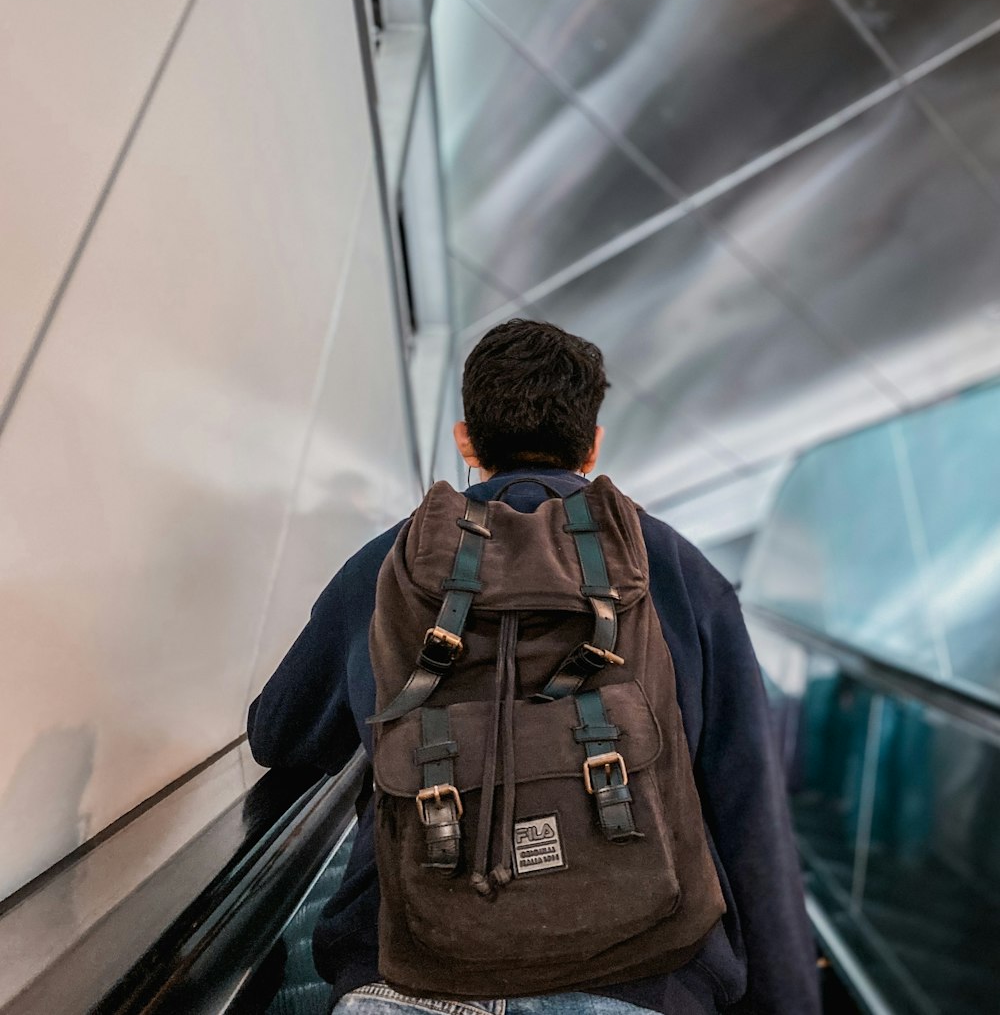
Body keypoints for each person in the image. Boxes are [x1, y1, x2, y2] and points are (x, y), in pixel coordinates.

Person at [247, 319, 821, 1015]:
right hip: (644, 980)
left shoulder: (387, 568)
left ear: (467, 441)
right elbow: (749, 809)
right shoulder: (672, 569)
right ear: (592, 446)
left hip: (408, 978)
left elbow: (280, 734)